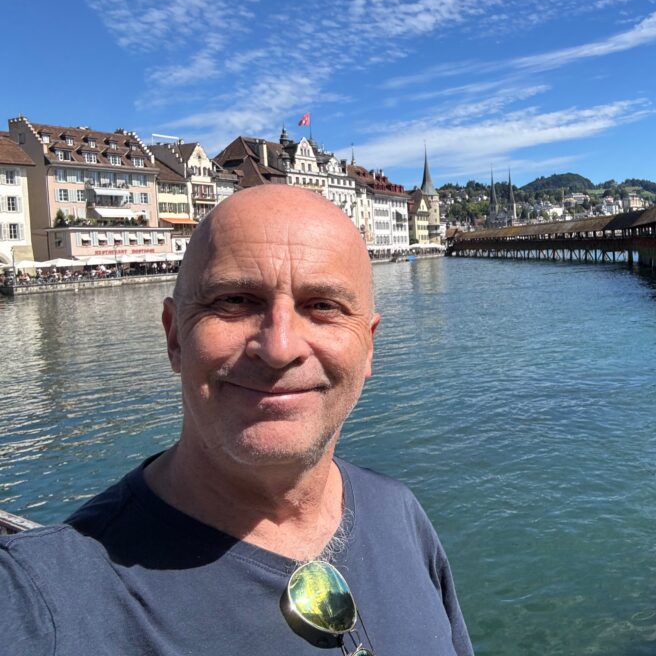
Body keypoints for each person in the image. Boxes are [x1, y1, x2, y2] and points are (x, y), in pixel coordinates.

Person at [0, 185, 474, 655]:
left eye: (323, 306)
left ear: (369, 345)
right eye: (235, 301)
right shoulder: (42, 603)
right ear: (175, 338)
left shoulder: (400, 513)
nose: (280, 347)